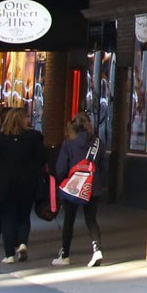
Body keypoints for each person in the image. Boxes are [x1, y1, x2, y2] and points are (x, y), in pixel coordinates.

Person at [0, 108, 45, 264]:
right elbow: (41, 159)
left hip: (4, 183)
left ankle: (9, 253)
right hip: (27, 182)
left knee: (7, 217)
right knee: (23, 215)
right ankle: (22, 242)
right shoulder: (34, 137)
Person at [50, 115, 103, 268]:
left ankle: (65, 254)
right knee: (91, 219)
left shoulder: (69, 144)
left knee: (69, 219)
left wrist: (64, 182)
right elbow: (103, 166)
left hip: (73, 186)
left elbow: (61, 168)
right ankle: (97, 250)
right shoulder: (98, 143)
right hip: (92, 185)